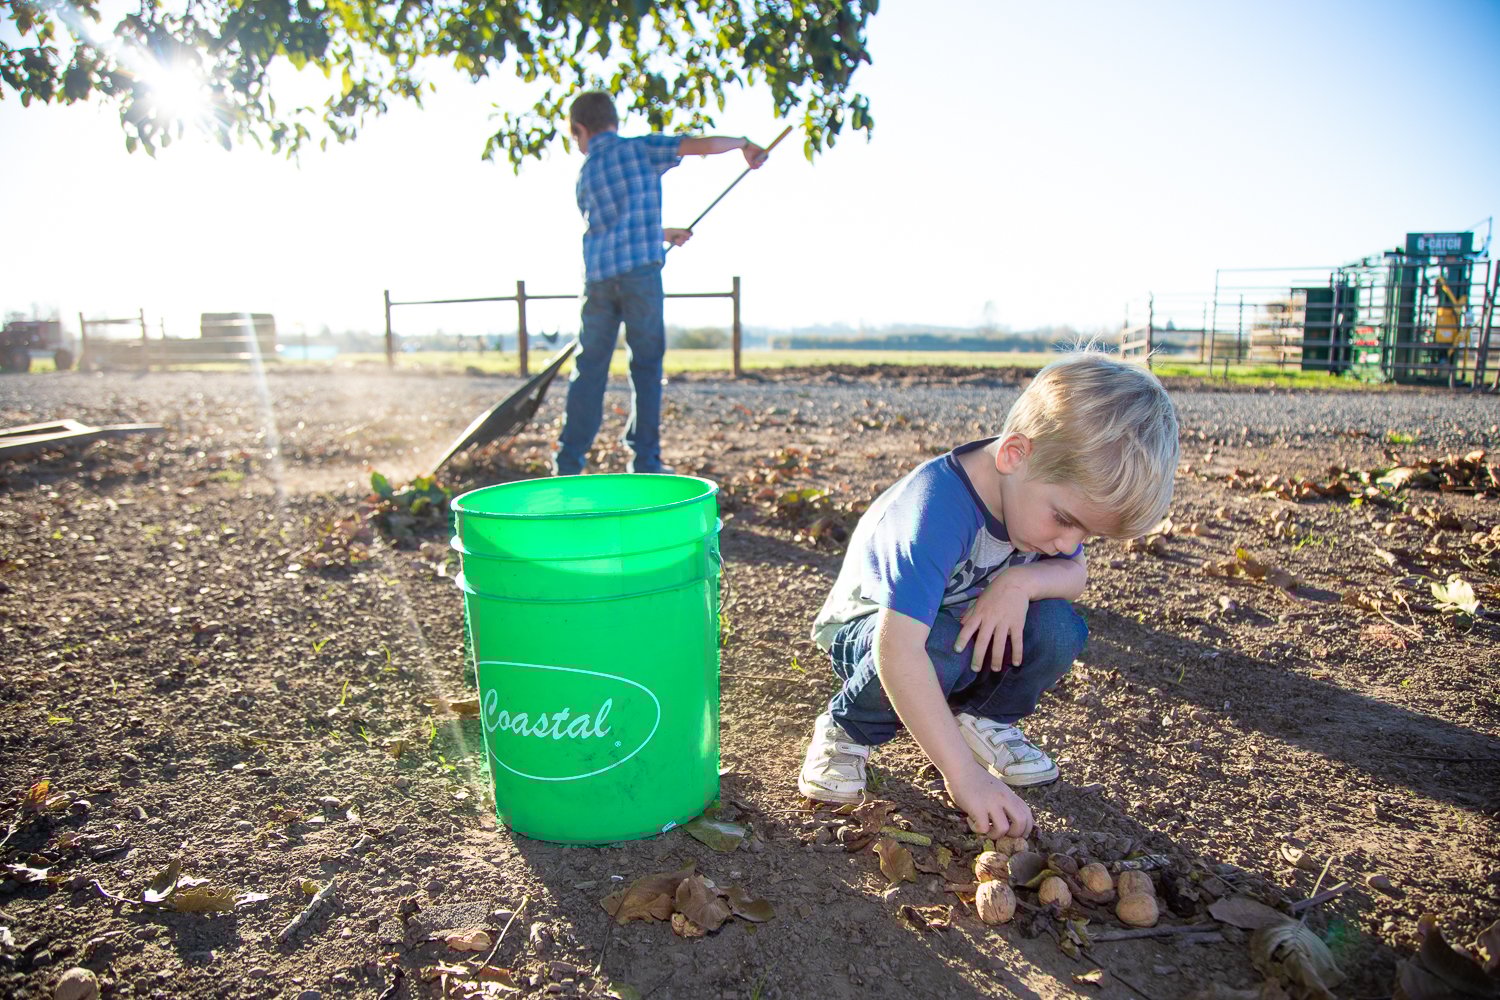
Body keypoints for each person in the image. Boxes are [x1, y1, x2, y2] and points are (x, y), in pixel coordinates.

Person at [798, 350, 1180, 839]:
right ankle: (847, 727)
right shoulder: (935, 510)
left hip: (952, 632)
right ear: (1014, 455)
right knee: (937, 644)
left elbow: (1074, 575)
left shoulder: (1034, 497)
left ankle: (982, 718)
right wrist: (965, 778)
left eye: (1087, 534)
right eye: (1065, 520)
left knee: (1059, 627)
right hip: (873, 635)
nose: (1069, 544)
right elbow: (899, 651)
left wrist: (1019, 582)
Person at [553, 91, 767, 476]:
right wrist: (743, 145)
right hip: (640, 277)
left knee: (590, 369)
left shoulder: (586, 173)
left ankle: (569, 462)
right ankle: (645, 461)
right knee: (646, 367)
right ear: (613, 122)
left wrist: (663, 234)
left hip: (599, 280)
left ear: (581, 130)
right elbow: (701, 145)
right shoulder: (641, 149)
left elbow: (609, 227)